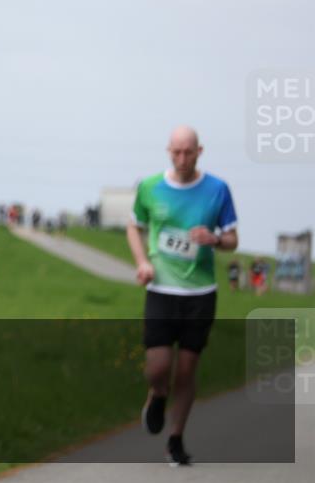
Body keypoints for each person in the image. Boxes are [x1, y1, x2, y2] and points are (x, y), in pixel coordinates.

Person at [126, 125, 238, 466]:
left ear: (199, 151)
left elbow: (233, 239)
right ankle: (158, 395)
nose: (182, 158)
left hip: (200, 293)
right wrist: (143, 262)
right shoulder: (149, 187)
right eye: (176, 152)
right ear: (168, 151)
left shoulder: (217, 190)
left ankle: (175, 439)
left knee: (187, 371)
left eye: (188, 152)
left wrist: (215, 239)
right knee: (159, 368)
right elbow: (135, 226)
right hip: (161, 289)